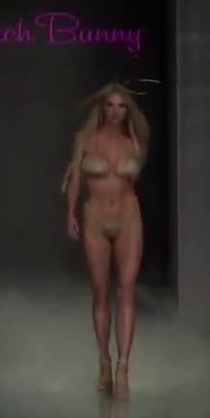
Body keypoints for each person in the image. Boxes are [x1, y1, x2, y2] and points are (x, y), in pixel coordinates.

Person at [62, 83, 151, 399]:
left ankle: (123, 367)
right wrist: (70, 214)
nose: (115, 111)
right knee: (101, 294)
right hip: (96, 220)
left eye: (121, 106)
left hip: (128, 218)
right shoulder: (86, 140)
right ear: (102, 108)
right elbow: (75, 179)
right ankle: (104, 360)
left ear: (128, 111)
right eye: (110, 105)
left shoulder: (135, 141)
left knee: (126, 291)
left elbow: (132, 177)